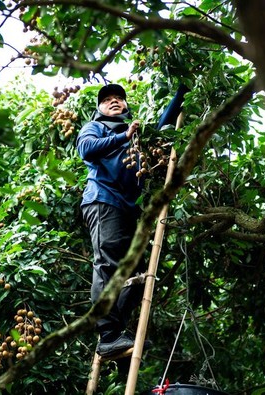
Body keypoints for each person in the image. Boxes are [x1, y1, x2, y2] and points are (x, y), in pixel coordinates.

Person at [77, 83, 187, 358]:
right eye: (107, 100)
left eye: (119, 99)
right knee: (108, 263)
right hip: (103, 200)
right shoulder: (96, 127)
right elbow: (86, 149)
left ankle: (118, 332)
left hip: (129, 209)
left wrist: (181, 94)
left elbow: (162, 126)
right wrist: (123, 136)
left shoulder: (137, 136)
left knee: (139, 273)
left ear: (127, 107)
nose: (114, 101)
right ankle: (108, 334)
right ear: (99, 109)